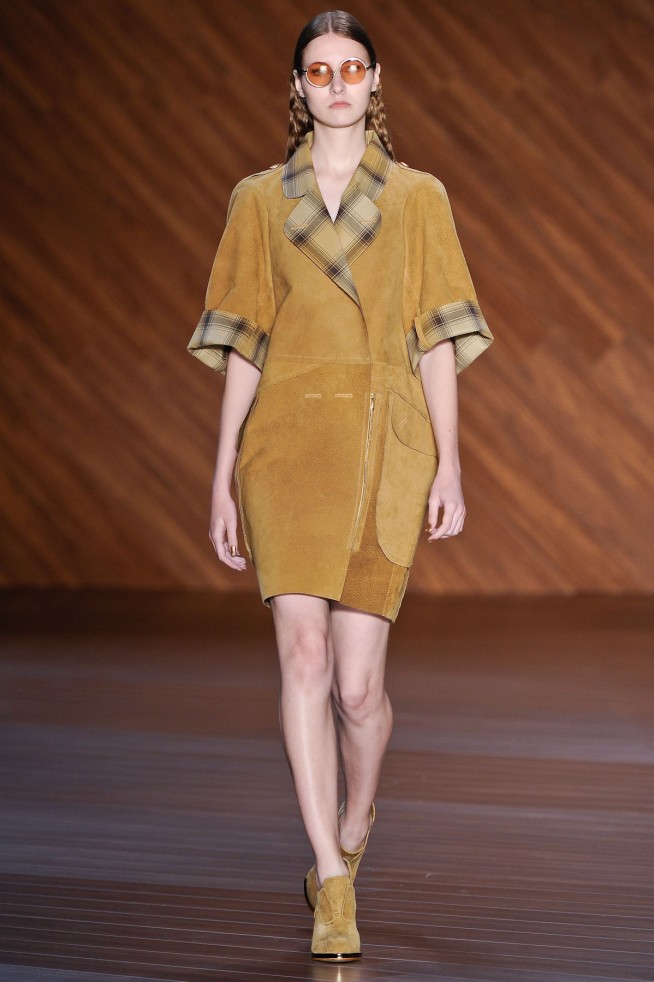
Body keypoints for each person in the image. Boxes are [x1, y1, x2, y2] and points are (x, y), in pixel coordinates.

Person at [188, 9, 493, 962]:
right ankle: (329, 875)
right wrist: (221, 476)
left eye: (351, 68)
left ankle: (357, 816)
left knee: (360, 691)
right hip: (285, 449)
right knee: (304, 659)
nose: (336, 85)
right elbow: (245, 343)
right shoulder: (256, 201)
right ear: (298, 87)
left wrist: (450, 462)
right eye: (318, 72)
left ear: (375, 79)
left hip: (381, 448)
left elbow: (437, 339)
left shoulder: (418, 198)